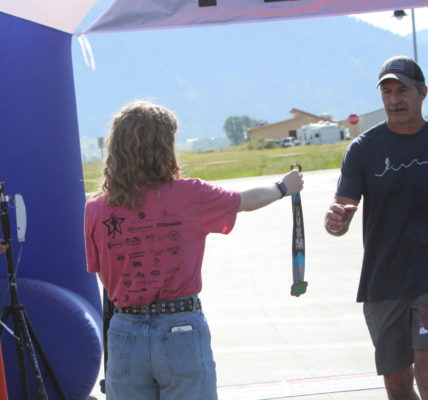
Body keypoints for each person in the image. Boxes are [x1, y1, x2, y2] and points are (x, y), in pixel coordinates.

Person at [84, 100, 303, 400]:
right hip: (180, 327)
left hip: (124, 331)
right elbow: (246, 200)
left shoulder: (96, 209)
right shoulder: (190, 194)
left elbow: (105, 279)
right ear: (164, 147)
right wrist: (283, 187)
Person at [325, 55, 428, 400]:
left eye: (402, 91)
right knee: (397, 385)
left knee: (427, 369)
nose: (394, 99)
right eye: (387, 92)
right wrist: (336, 221)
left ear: (422, 93)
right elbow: (342, 211)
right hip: (384, 280)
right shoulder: (364, 149)